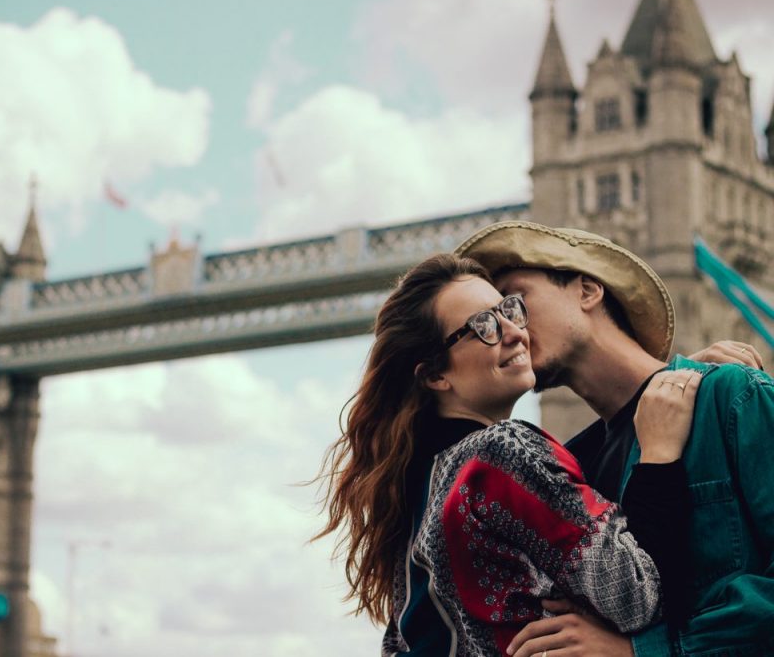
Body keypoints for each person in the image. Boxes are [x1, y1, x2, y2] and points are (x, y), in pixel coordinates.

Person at [313, 253, 699, 656]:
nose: (514, 332)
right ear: (435, 375)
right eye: (484, 326)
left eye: (510, 310)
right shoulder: (502, 453)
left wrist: (685, 373)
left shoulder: (413, 495)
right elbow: (638, 596)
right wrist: (658, 457)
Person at [458, 221, 773, 657]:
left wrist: (639, 650)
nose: (512, 329)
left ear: (588, 290)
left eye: (516, 301)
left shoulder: (731, 397)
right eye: (497, 317)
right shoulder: (568, 470)